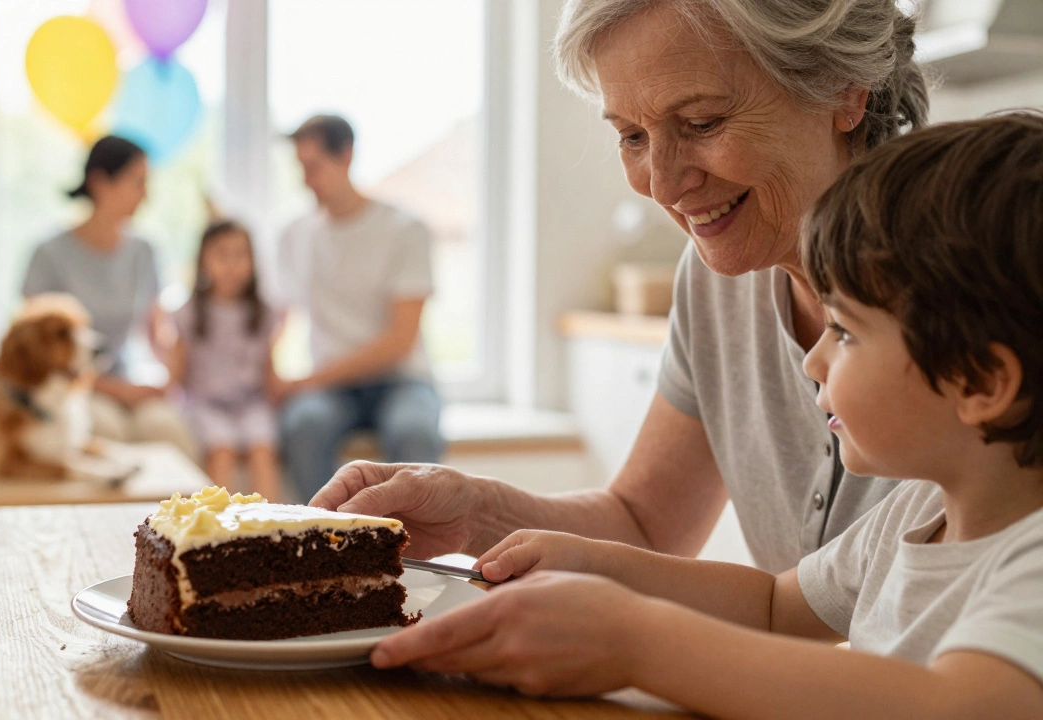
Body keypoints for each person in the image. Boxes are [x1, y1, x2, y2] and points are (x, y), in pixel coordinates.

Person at [371, 112, 1043, 715]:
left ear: (980, 380)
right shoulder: (916, 515)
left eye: (845, 332)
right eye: (631, 133)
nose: (813, 360)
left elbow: (961, 704)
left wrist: (637, 642)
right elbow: (775, 609)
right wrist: (591, 564)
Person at [314, 0, 929, 572]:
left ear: (845, 91)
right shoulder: (716, 286)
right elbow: (645, 523)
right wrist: (470, 511)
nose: (661, 185)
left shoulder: (977, 281)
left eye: (702, 122)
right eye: (632, 137)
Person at [272, 114, 444, 501]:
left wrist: (305, 381)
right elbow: (277, 318)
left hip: (402, 380)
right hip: (332, 390)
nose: (305, 180)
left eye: (313, 167)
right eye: (300, 168)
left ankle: (406, 556)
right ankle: (325, 549)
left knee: (414, 433)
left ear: (346, 155)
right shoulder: (295, 235)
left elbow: (399, 340)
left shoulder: (404, 229)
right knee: (302, 426)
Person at [22, 135, 196, 458]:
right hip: (70, 386)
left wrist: (169, 377)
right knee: (107, 433)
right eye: (138, 183)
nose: (146, 196)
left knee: (168, 431)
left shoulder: (145, 251)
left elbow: (156, 333)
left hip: (127, 377)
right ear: (100, 183)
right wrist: (116, 391)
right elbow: (36, 353)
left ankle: (184, 511)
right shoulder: (48, 254)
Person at [167, 219, 282, 498]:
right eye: (222, 254)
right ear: (203, 260)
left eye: (240, 254)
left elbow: (268, 369)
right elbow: (176, 370)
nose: (231, 264)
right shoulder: (189, 312)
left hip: (251, 402)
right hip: (206, 403)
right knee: (221, 449)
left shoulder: (263, 312)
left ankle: (271, 525)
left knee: (263, 448)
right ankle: (219, 528)